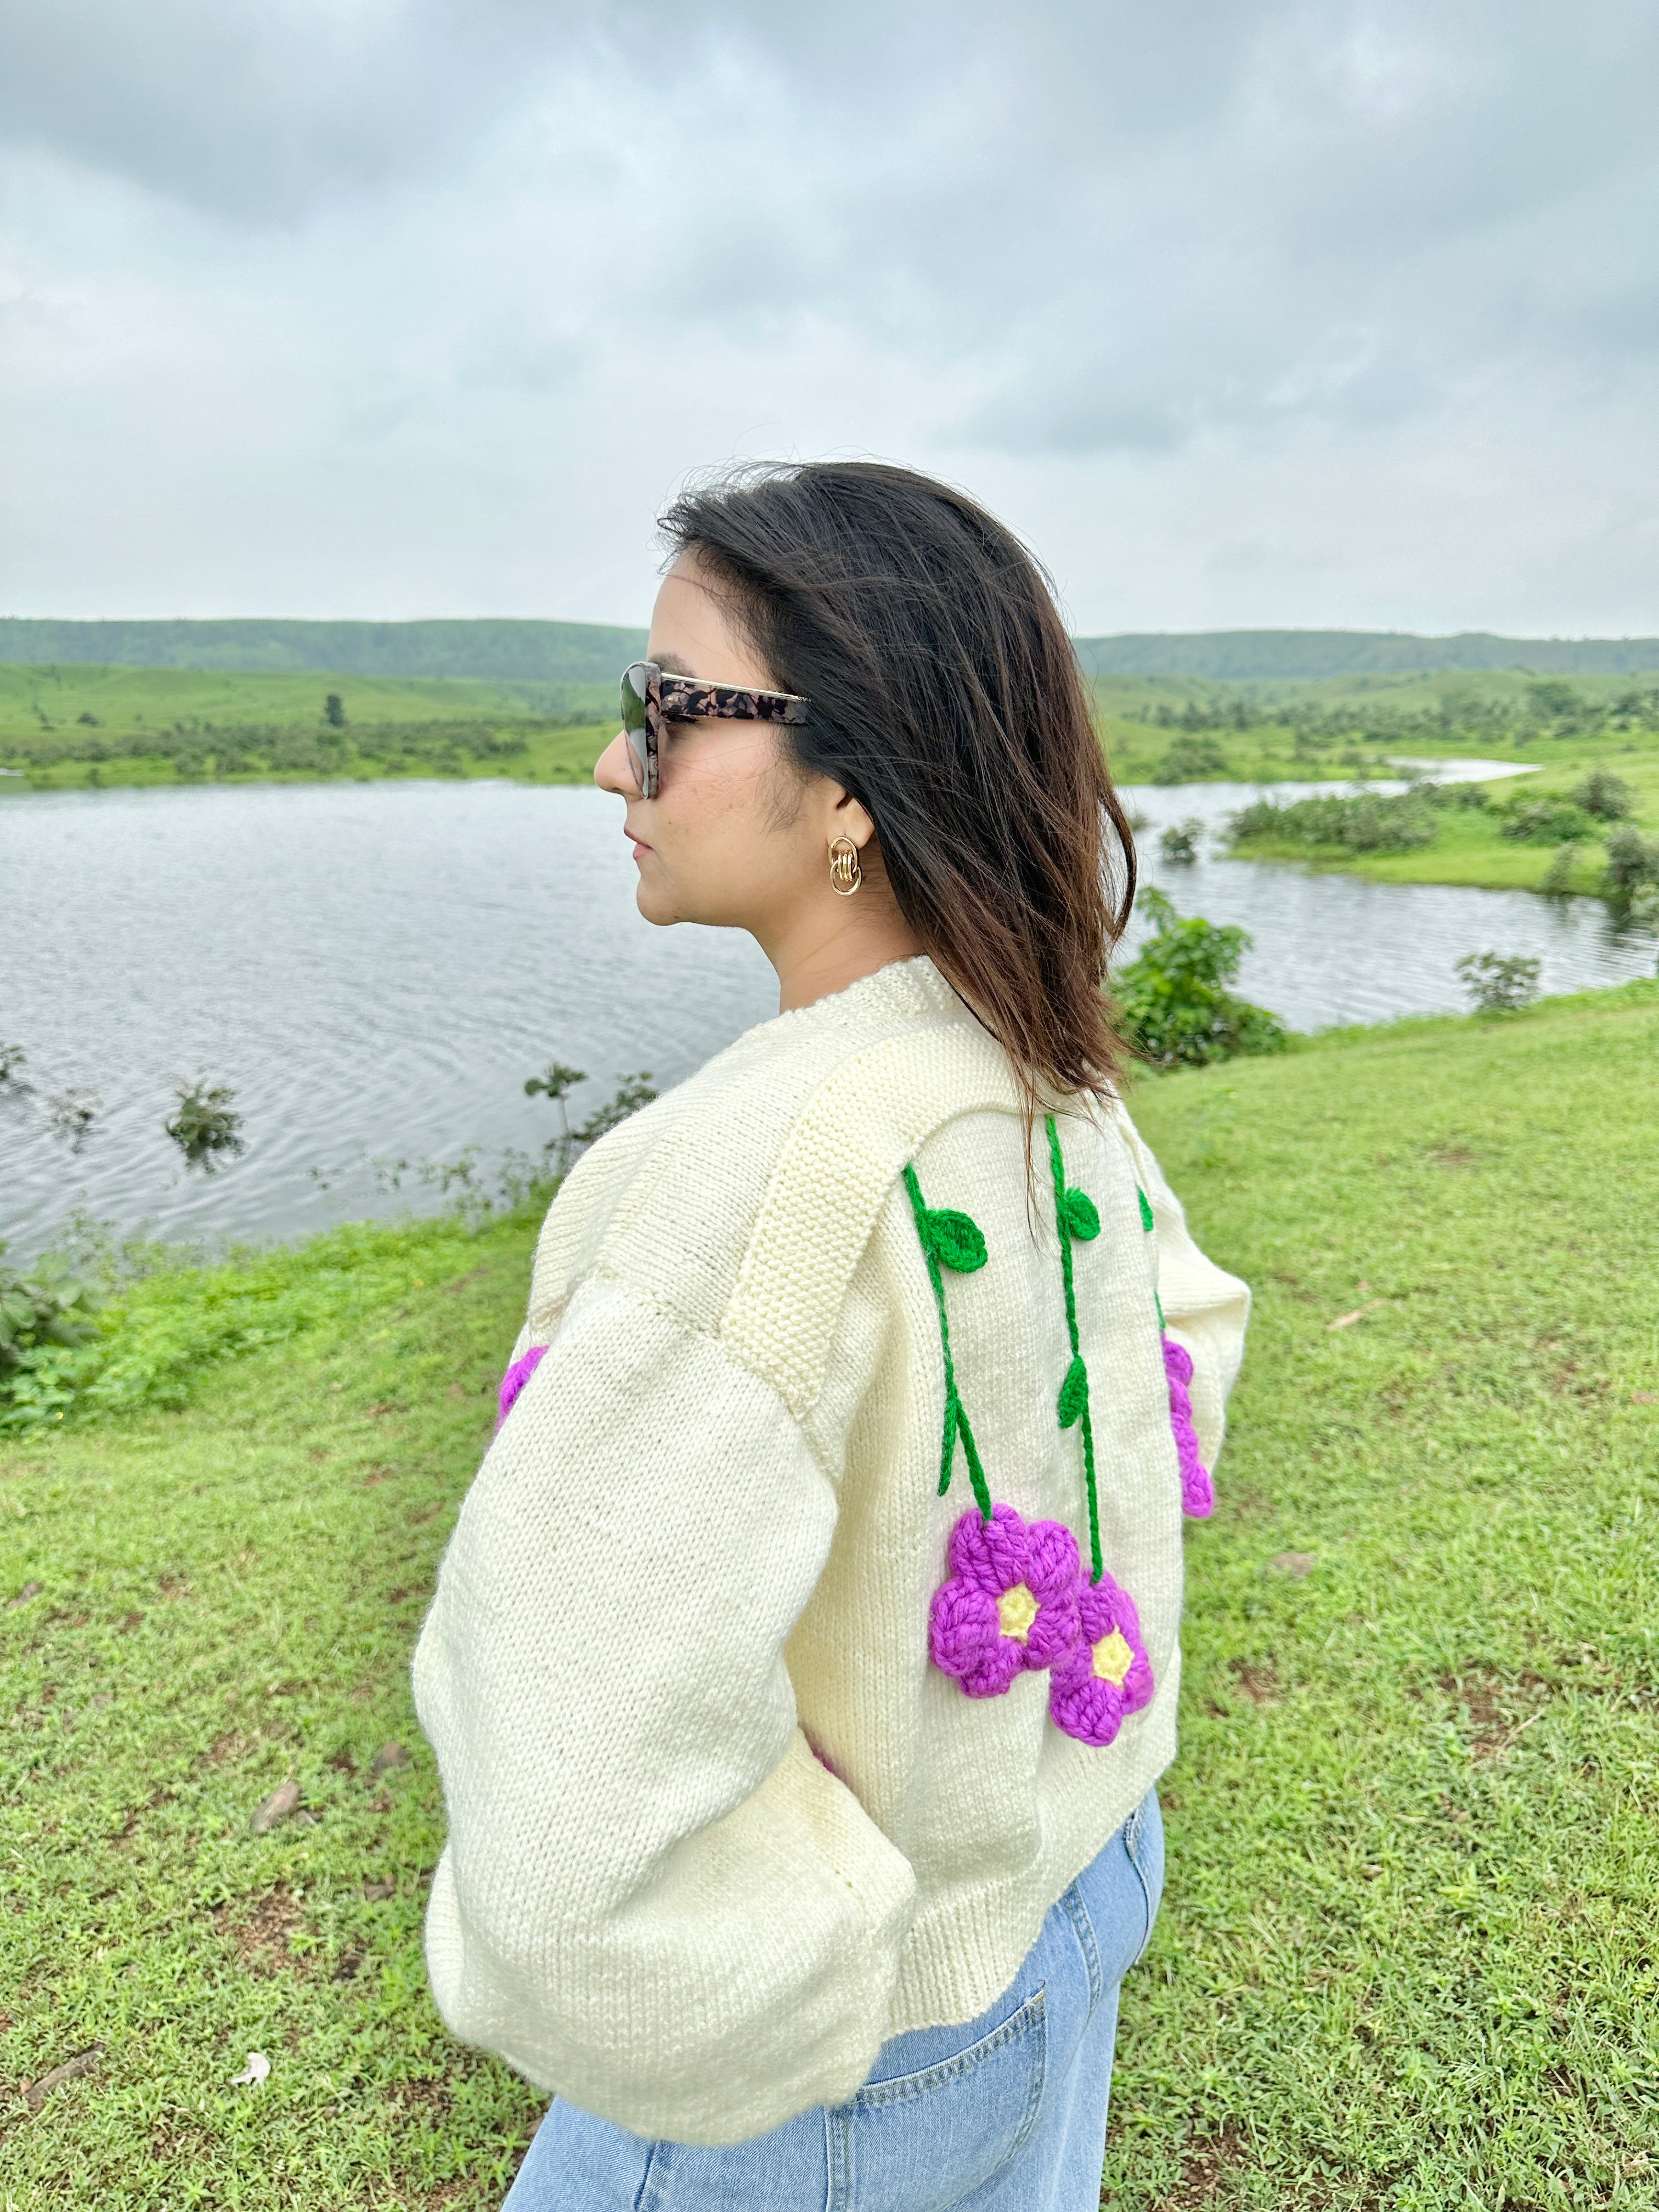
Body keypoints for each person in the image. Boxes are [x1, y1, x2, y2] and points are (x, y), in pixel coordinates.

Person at [412, 460, 1250, 2210]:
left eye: (666, 711)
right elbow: (1182, 1340)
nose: (612, 764)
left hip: (845, 2057)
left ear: (851, 782)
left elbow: (566, 1843)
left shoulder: (743, 1176)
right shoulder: (1038, 1067)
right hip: (1074, 1905)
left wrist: (837, 1960)